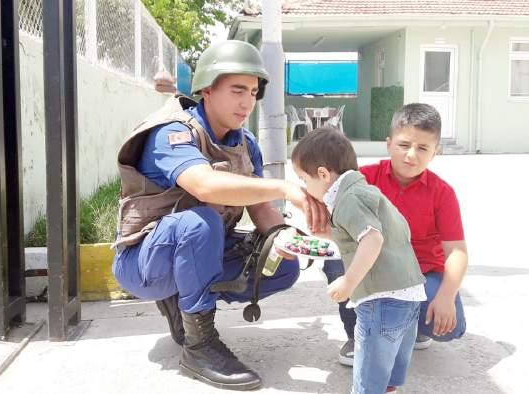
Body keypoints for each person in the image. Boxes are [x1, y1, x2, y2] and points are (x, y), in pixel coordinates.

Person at [112, 40, 327, 391]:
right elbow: (206, 186)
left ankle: (182, 303)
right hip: (144, 262)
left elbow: (259, 209)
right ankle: (199, 347)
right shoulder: (173, 132)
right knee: (201, 221)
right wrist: (285, 188)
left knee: (280, 264)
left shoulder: (246, 143)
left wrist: (288, 237)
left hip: (200, 248)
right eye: (237, 89)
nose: (247, 102)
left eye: (254, 92)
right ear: (207, 90)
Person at [291, 128, 426, 394]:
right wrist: (331, 233)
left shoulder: (349, 200)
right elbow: (388, 232)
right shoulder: (367, 192)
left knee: (367, 379)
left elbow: (372, 240)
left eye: (303, 180)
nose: (305, 188)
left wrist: (348, 281)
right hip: (409, 294)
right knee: (387, 372)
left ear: (322, 174)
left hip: (381, 298)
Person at [334, 103, 468, 367]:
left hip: (420, 274)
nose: (411, 156)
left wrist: (446, 296)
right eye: (403, 145)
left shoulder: (442, 193)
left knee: (450, 328)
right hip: (373, 267)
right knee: (335, 260)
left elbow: (457, 252)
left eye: (422, 148)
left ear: (435, 152)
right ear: (388, 144)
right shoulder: (364, 179)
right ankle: (357, 335)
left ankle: (409, 327)